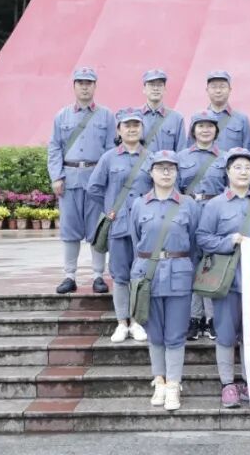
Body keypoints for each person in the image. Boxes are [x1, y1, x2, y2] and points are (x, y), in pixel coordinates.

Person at [196, 148, 250, 408]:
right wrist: (229, 241)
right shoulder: (215, 205)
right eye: (237, 167)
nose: (243, 172)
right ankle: (227, 384)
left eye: (248, 168)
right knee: (226, 334)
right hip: (226, 281)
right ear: (227, 172)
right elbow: (203, 238)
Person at [129, 150, 200, 411]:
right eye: (160, 168)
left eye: (171, 168)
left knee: (176, 334)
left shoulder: (189, 204)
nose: (166, 172)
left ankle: (173, 385)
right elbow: (136, 241)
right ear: (151, 172)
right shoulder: (139, 204)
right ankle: (159, 381)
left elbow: (194, 243)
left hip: (179, 275)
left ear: (177, 172)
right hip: (147, 275)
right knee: (155, 333)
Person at [87, 109, 154, 343]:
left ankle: (136, 321)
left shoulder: (152, 158)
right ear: (119, 130)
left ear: (142, 129)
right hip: (119, 226)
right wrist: (109, 209)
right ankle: (121, 322)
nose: (132, 129)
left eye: (136, 125)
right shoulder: (109, 158)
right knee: (120, 275)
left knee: (141, 274)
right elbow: (94, 188)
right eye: (127, 125)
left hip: (145, 227)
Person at [47, 66, 113, 295]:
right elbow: (54, 148)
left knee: (97, 229)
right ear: (74, 86)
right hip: (70, 179)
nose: (85, 87)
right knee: (69, 229)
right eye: (80, 83)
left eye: (89, 83)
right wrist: (56, 176)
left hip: (95, 179)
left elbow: (110, 149)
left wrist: (105, 179)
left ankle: (98, 276)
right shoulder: (62, 116)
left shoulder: (106, 115)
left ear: (95, 86)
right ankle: (69, 275)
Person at [178, 111, 224, 342]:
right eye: (201, 126)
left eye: (210, 126)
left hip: (215, 212)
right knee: (193, 264)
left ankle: (212, 318)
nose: (205, 130)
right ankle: (194, 317)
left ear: (216, 131)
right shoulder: (181, 157)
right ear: (193, 131)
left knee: (212, 265)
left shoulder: (225, 158)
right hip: (189, 211)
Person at [191, 70, 250, 150]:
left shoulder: (242, 119)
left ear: (230, 90)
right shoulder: (198, 119)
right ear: (207, 90)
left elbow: (248, 150)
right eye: (213, 87)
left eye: (222, 87)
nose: (218, 91)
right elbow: (191, 150)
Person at [139, 69, 185, 152]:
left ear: (165, 89)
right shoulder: (135, 117)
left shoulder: (177, 118)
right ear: (144, 89)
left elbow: (181, 152)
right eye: (151, 85)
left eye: (159, 85)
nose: (155, 88)